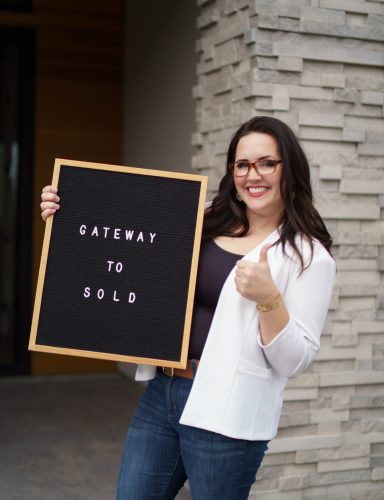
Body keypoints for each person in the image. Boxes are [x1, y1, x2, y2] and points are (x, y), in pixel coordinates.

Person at [40, 115, 336, 499]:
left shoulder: (309, 257)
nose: (253, 175)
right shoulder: (204, 217)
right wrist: (69, 209)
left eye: (267, 163)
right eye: (242, 164)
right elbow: (123, 240)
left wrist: (269, 299)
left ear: (289, 169)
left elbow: (295, 361)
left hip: (227, 412)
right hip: (163, 392)